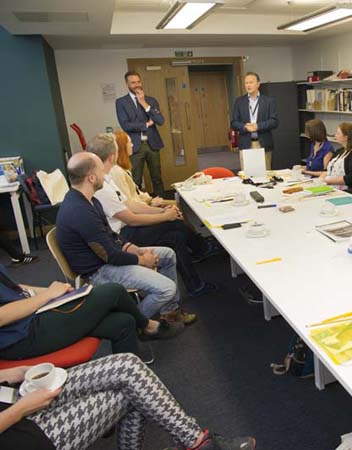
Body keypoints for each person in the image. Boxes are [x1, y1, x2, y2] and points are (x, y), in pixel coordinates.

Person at [0, 353, 256, 450]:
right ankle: (197, 442)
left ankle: (195, 441)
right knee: (132, 392)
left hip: (12, 395)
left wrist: (6, 374)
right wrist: (22, 409)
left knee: (128, 367)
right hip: (19, 431)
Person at [56, 152, 193, 325]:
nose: (104, 176)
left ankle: (169, 312)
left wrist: (132, 247)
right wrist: (142, 260)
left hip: (106, 259)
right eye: (101, 171)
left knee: (168, 254)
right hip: (99, 270)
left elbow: (112, 236)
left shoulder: (89, 200)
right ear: (91, 178)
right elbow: (110, 256)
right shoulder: (80, 211)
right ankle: (135, 323)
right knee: (167, 289)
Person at [87, 133, 218, 299]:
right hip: (123, 235)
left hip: (126, 230)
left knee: (175, 236)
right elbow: (131, 219)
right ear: (112, 156)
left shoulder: (107, 179)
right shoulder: (103, 186)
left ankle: (195, 283)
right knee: (175, 225)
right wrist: (165, 216)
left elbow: (130, 204)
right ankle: (201, 250)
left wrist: (163, 212)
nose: (132, 146)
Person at [0, 265, 180, 361]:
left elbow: (15, 288)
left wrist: (55, 291)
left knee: (123, 322)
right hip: (21, 338)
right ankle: (148, 327)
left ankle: (129, 388)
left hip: (31, 317)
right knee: (113, 291)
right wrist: (48, 294)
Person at [115, 70, 165, 196]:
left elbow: (160, 120)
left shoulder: (151, 101)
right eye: (133, 83)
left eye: (138, 82)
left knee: (157, 178)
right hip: (135, 146)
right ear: (127, 84)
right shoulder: (121, 102)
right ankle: (138, 206)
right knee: (135, 179)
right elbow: (125, 125)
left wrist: (143, 103)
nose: (136, 85)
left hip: (152, 144)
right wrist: (146, 124)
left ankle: (163, 203)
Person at [110, 129, 172, 207]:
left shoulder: (124, 169)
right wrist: (150, 204)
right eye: (130, 143)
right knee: (179, 207)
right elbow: (130, 203)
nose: (132, 145)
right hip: (141, 209)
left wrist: (150, 200)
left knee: (178, 205)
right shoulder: (117, 172)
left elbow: (136, 192)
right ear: (122, 147)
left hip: (144, 204)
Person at [231, 72, 278, 170]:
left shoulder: (269, 101)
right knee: (247, 174)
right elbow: (234, 122)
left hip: (263, 142)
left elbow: (274, 121)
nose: (248, 85)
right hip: (245, 142)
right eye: (246, 83)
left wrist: (258, 126)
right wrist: (244, 127)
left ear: (258, 84)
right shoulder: (239, 101)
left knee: (265, 174)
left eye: (251, 82)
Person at [321, 122, 352, 193]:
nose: (335, 135)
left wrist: (328, 180)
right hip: (330, 185)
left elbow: (350, 178)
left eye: (338, 133)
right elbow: (327, 170)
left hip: (345, 189)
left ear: (346, 137)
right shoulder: (339, 151)